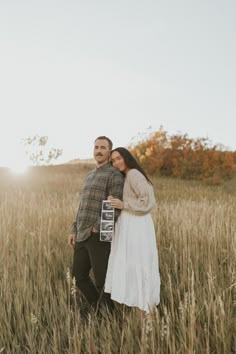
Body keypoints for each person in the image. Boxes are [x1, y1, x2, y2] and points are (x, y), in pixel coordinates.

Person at [68, 137, 124, 313]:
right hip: (82, 233)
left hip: (100, 233)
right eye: (96, 147)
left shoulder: (114, 175)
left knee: (103, 281)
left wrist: (97, 227)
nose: (98, 150)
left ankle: (110, 318)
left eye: (103, 148)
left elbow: (115, 205)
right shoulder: (89, 175)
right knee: (79, 277)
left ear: (109, 151)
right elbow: (82, 205)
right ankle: (99, 309)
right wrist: (74, 229)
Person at [105, 147, 160, 313]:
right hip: (130, 225)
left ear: (127, 157)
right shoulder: (127, 176)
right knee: (131, 266)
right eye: (113, 161)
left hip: (137, 226)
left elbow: (148, 201)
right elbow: (130, 197)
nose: (116, 163)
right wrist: (115, 200)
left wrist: (124, 204)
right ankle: (140, 312)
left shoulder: (134, 174)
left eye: (119, 158)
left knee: (138, 264)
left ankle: (145, 312)